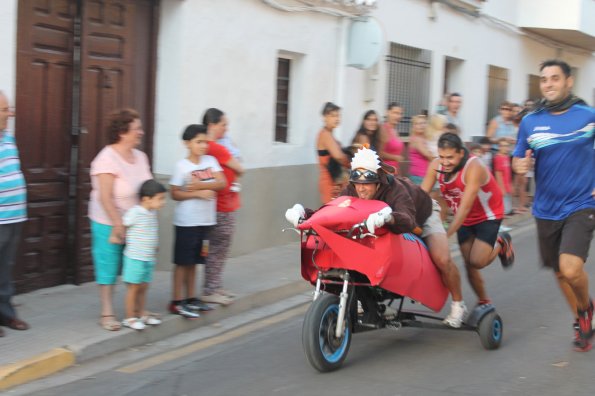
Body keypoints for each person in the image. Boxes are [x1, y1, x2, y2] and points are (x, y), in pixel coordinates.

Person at [286, 147, 467, 327]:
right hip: (381, 222)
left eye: (367, 184)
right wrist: (305, 214)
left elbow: (408, 221)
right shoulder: (351, 190)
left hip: (422, 216)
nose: (362, 190)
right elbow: (331, 213)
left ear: (378, 181)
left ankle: (458, 304)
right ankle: (366, 300)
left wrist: (388, 217)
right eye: (358, 183)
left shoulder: (396, 190)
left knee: (441, 258)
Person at [512, 59, 595, 352]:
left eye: (554, 78)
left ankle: (585, 309)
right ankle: (579, 319)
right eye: (544, 79)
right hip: (546, 208)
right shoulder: (531, 121)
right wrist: (519, 165)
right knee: (560, 273)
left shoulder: (588, 116)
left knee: (571, 269)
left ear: (568, 81)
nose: (548, 83)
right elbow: (518, 156)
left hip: (581, 203)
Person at [422, 133, 515, 309]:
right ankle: (484, 301)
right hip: (464, 218)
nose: (445, 162)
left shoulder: (474, 167)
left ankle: (502, 242)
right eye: (441, 157)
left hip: (487, 215)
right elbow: (420, 195)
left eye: (450, 157)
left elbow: (465, 208)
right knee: (468, 263)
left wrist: (444, 235)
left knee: (477, 261)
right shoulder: (436, 165)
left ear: (460, 153)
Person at [89, 108, 153, 331]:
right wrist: (118, 224)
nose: (141, 133)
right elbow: (104, 197)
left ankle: (136, 309)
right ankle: (107, 313)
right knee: (108, 265)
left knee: (137, 265)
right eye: (137, 129)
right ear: (122, 132)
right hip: (108, 221)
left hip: (137, 223)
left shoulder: (141, 157)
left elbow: (148, 190)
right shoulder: (106, 158)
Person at [169, 124, 226, 318]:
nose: (203, 146)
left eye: (205, 142)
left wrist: (198, 185)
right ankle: (177, 301)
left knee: (195, 261)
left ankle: (191, 298)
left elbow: (222, 182)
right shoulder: (181, 166)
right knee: (182, 262)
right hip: (187, 222)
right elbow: (174, 193)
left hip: (205, 221)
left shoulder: (210, 161)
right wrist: (198, 194)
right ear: (187, 143)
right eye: (198, 142)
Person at [202, 108, 244, 305]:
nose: (226, 129)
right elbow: (239, 167)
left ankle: (215, 286)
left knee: (219, 247)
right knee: (219, 246)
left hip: (222, 202)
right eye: (223, 125)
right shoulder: (215, 148)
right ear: (211, 125)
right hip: (221, 204)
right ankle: (210, 289)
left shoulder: (212, 146)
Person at [0, 91, 29, 336]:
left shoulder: (8, 139)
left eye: (8, 108)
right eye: (4, 110)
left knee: (5, 268)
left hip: (14, 215)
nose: (9, 114)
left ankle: (6, 315)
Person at [121, 179, 166, 330]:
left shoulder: (152, 213)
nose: (163, 202)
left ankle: (141, 313)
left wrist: (155, 245)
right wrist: (119, 238)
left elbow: (151, 231)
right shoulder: (135, 212)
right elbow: (124, 225)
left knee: (144, 287)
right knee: (133, 288)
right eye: (160, 199)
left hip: (148, 257)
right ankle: (129, 318)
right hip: (135, 257)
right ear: (146, 199)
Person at [317, 102, 349, 204]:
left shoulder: (329, 135)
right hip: (330, 182)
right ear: (324, 117)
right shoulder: (325, 135)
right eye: (332, 115)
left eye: (338, 115)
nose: (336, 118)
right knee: (333, 213)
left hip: (335, 180)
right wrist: (351, 163)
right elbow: (339, 157)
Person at [407, 115, 434, 185]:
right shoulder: (417, 140)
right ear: (414, 126)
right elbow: (429, 156)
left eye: (423, 123)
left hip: (424, 174)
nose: (421, 126)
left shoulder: (423, 138)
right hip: (419, 175)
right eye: (418, 124)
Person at [379, 102, 405, 173]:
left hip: (394, 171)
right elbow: (379, 153)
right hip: (385, 172)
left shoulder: (395, 130)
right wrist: (395, 157)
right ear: (387, 112)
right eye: (395, 113)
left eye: (400, 113)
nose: (398, 116)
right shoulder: (383, 129)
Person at [493, 140, 513, 216]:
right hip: (502, 185)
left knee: (507, 207)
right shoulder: (498, 158)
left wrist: (510, 185)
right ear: (499, 147)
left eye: (507, 146)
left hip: (507, 184)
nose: (506, 148)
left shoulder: (507, 157)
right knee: (503, 207)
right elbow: (498, 174)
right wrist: (501, 188)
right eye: (504, 146)